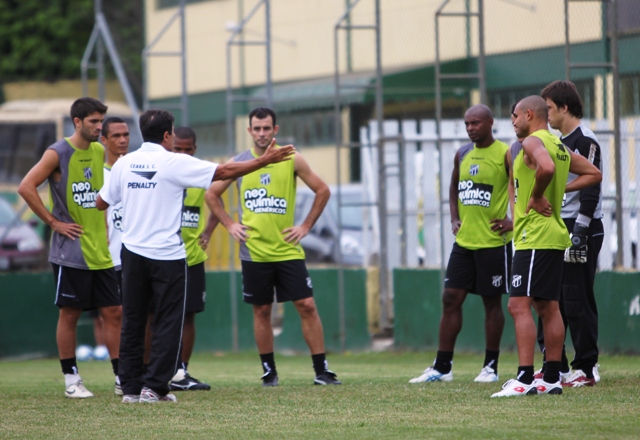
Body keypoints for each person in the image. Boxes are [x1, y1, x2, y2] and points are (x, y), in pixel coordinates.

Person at [97, 109, 294, 403]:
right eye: (173, 133)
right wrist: (265, 160)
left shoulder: (124, 164)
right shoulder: (173, 161)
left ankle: (131, 389)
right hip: (167, 255)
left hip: (132, 253)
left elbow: (101, 202)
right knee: (167, 322)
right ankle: (155, 388)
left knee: (134, 320)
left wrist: (137, 194)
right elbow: (224, 172)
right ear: (167, 136)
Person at [206, 107, 341, 387]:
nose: (262, 133)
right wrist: (230, 224)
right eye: (257, 128)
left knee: (306, 305)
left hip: (287, 249)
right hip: (254, 252)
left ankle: (322, 371)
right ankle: (269, 371)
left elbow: (323, 190)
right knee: (262, 310)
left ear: (275, 130)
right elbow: (212, 194)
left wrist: (305, 226)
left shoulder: (291, 157)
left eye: (267, 128)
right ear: (249, 130)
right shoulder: (240, 162)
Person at [491, 95, 602, 397]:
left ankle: (525, 378)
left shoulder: (532, 142)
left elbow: (547, 170)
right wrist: (560, 188)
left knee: (518, 305)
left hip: (534, 237)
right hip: (554, 235)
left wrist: (540, 194)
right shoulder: (559, 145)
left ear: (528, 114)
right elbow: (594, 174)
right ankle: (552, 378)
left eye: (514, 115)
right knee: (548, 306)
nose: (512, 122)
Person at [18, 97, 122, 399]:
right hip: (71, 251)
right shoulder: (58, 152)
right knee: (71, 314)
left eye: (101, 121)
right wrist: (54, 222)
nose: (98, 127)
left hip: (100, 250)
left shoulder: (100, 150)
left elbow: (98, 196)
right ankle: (71, 378)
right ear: (77, 122)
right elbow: (26, 186)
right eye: (93, 121)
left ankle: (121, 378)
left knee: (114, 312)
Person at [409, 105, 512, 385]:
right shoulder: (463, 153)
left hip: (493, 242)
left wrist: (514, 220)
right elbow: (454, 187)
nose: (470, 128)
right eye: (467, 124)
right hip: (465, 243)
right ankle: (442, 367)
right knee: (450, 298)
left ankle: (490, 367)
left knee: (492, 303)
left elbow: (522, 187)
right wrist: (454, 218)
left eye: (475, 123)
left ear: (490, 123)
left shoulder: (506, 152)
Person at [535, 80, 604, 387]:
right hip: (559, 224)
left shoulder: (585, 139)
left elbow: (592, 185)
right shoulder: (558, 140)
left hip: (582, 225)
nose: (545, 113)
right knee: (552, 298)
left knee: (577, 298)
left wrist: (580, 230)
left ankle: (587, 367)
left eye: (548, 107)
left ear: (564, 107)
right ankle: (556, 365)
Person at [168, 127, 218, 391]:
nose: (184, 154)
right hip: (163, 256)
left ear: (195, 150)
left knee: (188, 317)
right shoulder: (162, 172)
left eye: (188, 149)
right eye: (178, 149)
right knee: (156, 317)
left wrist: (208, 230)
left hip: (192, 257)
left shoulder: (202, 173)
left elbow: (217, 198)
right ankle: (151, 369)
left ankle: (181, 373)